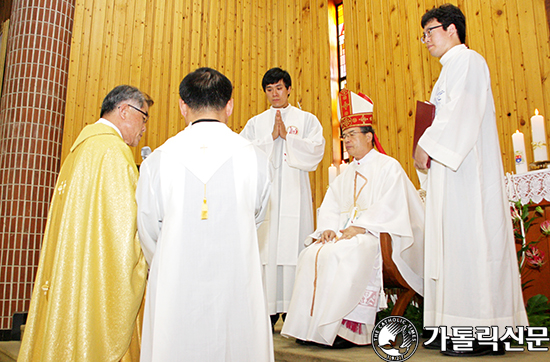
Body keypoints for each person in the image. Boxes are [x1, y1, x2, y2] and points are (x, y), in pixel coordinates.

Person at [136, 67, 274, 361]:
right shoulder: (256, 158)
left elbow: (148, 230)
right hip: (238, 280)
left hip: (176, 286)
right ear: (229, 106)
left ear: (182, 106)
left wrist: (168, 258)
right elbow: (258, 218)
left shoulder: (158, 161)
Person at [414, 4, 528, 357]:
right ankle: (461, 330)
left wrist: (425, 144)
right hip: (450, 173)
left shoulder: (469, 61)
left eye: (429, 31)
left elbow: (458, 117)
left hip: (468, 176)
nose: (426, 40)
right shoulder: (448, 71)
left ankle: (480, 332)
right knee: (456, 249)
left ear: (451, 29)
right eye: (424, 35)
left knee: (472, 246)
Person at [18, 85, 153, 361]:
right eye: (144, 117)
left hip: (73, 271)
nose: (144, 129)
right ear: (124, 111)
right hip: (97, 281)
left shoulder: (80, 149)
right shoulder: (113, 153)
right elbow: (122, 236)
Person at [281, 89, 424, 348]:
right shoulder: (346, 174)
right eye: (343, 136)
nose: (346, 140)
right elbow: (332, 206)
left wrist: (361, 226)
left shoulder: (388, 167)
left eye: (351, 135)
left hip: (375, 238)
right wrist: (326, 229)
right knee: (313, 253)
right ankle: (310, 327)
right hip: (346, 236)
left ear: (369, 137)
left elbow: (393, 206)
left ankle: (346, 329)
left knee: (343, 253)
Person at [240, 67, 325, 327]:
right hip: (266, 195)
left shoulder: (306, 119)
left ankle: (292, 309)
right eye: (269, 89)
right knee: (267, 249)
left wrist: (289, 138)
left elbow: (317, 150)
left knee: (293, 246)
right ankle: (267, 309)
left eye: (278, 88)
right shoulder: (256, 123)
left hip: (294, 193)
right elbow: (243, 152)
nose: (274, 94)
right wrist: (270, 138)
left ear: (288, 89)